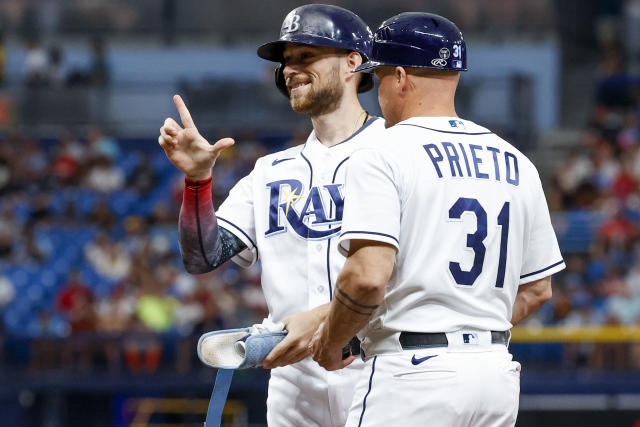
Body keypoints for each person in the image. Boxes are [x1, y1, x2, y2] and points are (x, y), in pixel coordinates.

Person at [310, 12, 565, 427]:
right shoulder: (517, 161)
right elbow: (538, 290)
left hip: (412, 376)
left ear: (401, 77)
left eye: (380, 81)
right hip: (494, 374)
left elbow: (367, 277)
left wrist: (335, 339)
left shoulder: (381, 153)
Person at [158, 4, 385, 426]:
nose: (290, 70)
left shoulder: (397, 151)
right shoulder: (271, 171)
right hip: (292, 379)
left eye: (307, 56)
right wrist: (198, 181)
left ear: (354, 61)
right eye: (286, 61)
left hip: (380, 362)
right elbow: (201, 256)